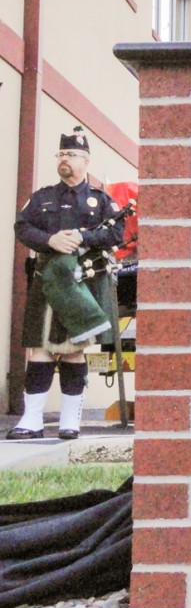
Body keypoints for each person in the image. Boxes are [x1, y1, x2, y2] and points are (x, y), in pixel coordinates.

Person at [7, 128, 124, 440]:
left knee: (73, 351)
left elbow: (116, 235)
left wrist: (84, 237)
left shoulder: (100, 201)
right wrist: (50, 240)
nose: (64, 159)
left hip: (80, 285)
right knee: (40, 350)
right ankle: (31, 421)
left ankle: (69, 422)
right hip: (46, 281)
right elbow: (22, 228)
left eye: (71, 155)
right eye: (61, 154)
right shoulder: (42, 198)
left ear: (85, 160)